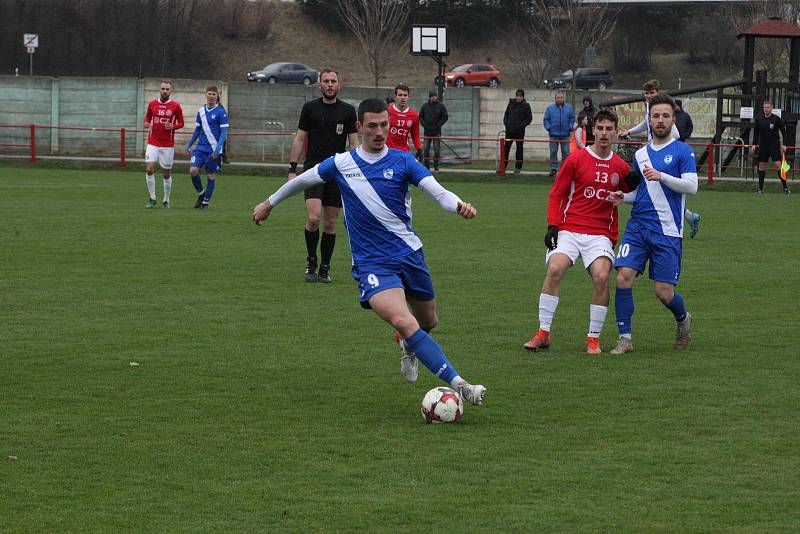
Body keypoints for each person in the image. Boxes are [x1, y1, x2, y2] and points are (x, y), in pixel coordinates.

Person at [252, 98, 486, 405]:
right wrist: (269, 203)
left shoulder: (403, 161)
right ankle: (461, 385)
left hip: (409, 254)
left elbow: (437, 192)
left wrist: (458, 205)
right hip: (372, 264)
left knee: (428, 322)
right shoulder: (342, 163)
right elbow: (305, 180)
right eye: (373, 126)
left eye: (384, 125)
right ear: (360, 127)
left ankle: (408, 345)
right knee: (405, 321)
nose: (379, 132)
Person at [523, 110, 633, 354]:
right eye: (600, 128)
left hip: (601, 234)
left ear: (616, 131)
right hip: (570, 229)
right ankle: (543, 333)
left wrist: (626, 192)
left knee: (602, 277)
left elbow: (631, 192)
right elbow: (556, 194)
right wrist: (552, 225)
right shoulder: (575, 159)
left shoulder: (620, 166)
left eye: (609, 129)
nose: (604, 133)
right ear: (593, 130)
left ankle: (593, 339)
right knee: (554, 269)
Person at [608, 93, 698, 354]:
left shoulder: (683, 151)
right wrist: (623, 197)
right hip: (638, 227)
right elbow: (644, 193)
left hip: (668, 230)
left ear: (673, 119)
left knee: (663, 292)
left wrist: (662, 175)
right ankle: (625, 339)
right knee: (623, 277)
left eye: (665, 116)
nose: (660, 120)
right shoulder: (641, 154)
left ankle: (683, 319)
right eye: (655, 116)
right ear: (648, 119)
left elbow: (692, 186)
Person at [288, 68, 359, 283]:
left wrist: (355, 171)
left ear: (339, 85)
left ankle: (325, 268)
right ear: (319, 85)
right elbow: (300, 139)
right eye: (326, 81)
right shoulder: (310, 108)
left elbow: (354, 143)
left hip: (337, 172)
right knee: (313, 218)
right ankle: (311, 262)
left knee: (330, 223)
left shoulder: (347, 111)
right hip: (313, 170)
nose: (329, 84)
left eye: (333, 81)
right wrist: (292, 169)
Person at [620, 80, 701, 238]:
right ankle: (691, 216)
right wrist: (628, 132)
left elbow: (675, 135)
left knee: (665, 195)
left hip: (665, 154)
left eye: (652, 93)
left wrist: (654, 144)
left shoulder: (665, 115)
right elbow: (644, 125)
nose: (649, 96)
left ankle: (688, 218)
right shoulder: (649, 114)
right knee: (653, 194)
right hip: (651, 153)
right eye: (647, 93)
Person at [186, 85, 229, 210]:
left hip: (213, 150)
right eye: (209, 94)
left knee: (210, 175)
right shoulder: (201, 111)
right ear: (206, 94)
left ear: (217, 96)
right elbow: (198, 129)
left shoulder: (221, 112)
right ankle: (201, 193)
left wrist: (218, 150)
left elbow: (224, 132)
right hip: (200, 148)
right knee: (193, 171)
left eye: (213, 94)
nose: (211, 96)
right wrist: (189, 144)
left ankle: (206, 202)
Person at [143, 79, 184, 208]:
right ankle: (152, 198)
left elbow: (181, 123)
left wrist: (172, 126)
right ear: (159, 90)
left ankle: (166, 199)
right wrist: (146, 122)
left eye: (167, 89)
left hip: (167, 144)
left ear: (170, 91)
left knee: (166, 173)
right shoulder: (152, 104)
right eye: (163, 89)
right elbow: (148, 117)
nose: (165, 91)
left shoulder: (175, 106)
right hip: (153, 142)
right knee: (149, 169)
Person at [753, 100, 790, 194]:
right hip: (763, 145)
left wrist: (784, 144)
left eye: (768, 107)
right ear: (763, 108)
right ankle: (760, 189)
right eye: (765, 107)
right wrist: (754, 144)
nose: (766, 109)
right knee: (761, 166)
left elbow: (784, 132)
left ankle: (785, 188)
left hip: (774, 145)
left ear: (771, 108)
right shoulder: (758, 119)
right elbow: (756, 133)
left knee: (778, 165)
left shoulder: (776, 119)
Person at [387, 84, 422, 161]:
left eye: (405, 95)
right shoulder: (387, 111)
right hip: (387, 152)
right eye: (400, 95)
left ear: (409, 97)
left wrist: (419, 148)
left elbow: (415, 134)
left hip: (403, 152)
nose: (402, 97)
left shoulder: (414, 115)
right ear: (395, 97)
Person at [543, 91, 575, 176]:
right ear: (555, 98)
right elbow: (546, 119)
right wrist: (549, 128)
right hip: (553, 135)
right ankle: (553, 169)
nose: (560, 99)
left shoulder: (569, 108)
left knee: (565, 152)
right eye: (558, 97)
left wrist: (570, 127)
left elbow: (572, 118)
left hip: (565, 134)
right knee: (553, 152)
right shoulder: (550, 108)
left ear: (563, 98)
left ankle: (563, 169)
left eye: (561, 97)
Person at [502, 89, 533, 174]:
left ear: (523, 97)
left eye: (520, 96)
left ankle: (518, 168)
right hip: (509, 131)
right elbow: (506, 115)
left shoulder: (526, 106)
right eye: (517, 96)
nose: (518, 97)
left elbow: (529, 119)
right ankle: (503, 167)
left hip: (519, 132)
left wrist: (521, 126)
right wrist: (506, 124)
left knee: (519, 149)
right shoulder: (511, 104)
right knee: (506, 149)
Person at [419, 90, 448, 170]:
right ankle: (426, 166)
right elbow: (420, 116)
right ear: (430, 97)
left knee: (437, 150)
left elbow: (445, 117)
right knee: (426, 149)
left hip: (436, 131)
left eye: (435, 96)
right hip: (427, 131)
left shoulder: (440, 106)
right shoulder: (425, 106)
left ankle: (436, 165)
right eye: (432, 96)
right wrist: (424, 125)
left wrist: (438, 125)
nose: (434, 97)